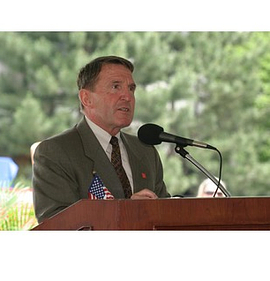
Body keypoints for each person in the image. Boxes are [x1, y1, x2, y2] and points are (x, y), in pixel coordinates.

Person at [32, 55, 171, 223]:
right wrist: (127, 211)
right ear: (86, 98)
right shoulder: (55, 152)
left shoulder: (145, 151)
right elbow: (57, 225)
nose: (127, 96)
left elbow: (166, 217)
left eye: (131, 89)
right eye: (115, 87)